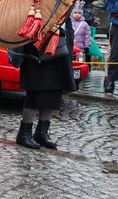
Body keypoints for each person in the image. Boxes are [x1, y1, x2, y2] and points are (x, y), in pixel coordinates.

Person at [11, 20, 75, 150]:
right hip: (37, 40)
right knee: (36, 90)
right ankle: (24, 133)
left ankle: (42, 132)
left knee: (54, 91)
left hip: (59, 42)